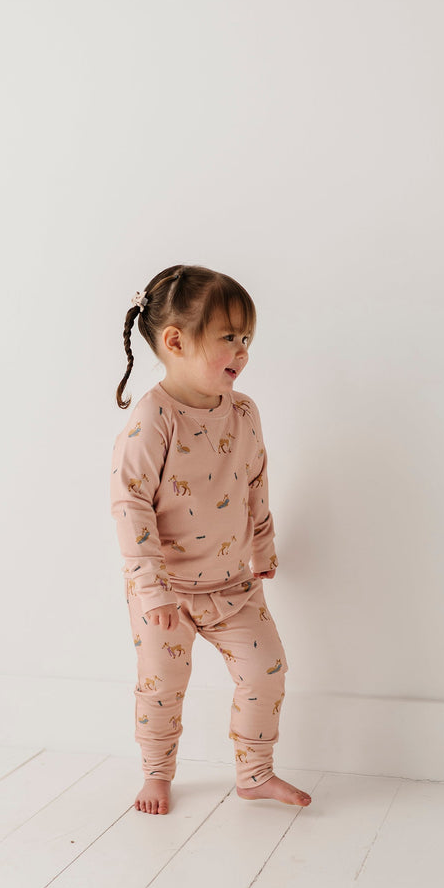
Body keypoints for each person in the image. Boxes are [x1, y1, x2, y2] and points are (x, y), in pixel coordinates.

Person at [110, 264, 311, 815]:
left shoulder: (243, 412)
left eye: (247, 339)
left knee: (266, 671)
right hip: (166, 593)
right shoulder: (153, 419)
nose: (242, 352)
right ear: (176, 341)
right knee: (162, 687)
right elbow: (130, 505)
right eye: (229, 338)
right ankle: (156, 773)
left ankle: (255, 772)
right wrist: (151, 589)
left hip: (233, 585)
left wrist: (262, 545)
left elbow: (254, 479)